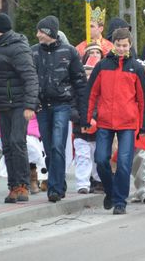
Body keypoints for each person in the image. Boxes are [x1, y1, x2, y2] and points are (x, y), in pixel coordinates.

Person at [0, 14, 39, 203]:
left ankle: (23, 186)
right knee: (8, 146)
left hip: (19, 104)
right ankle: (13, 186)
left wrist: (29, 105)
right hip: (3, 105)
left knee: (18, 142)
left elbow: (30, 77)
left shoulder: (18, 48)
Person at [87, 28, 145, 214]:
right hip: (105, 122)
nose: (122, 49)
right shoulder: (102, 66)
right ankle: (110, 190)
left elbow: (143, 99)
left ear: (130, 45)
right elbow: (92, 94)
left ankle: (120, 201)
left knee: (124, 163)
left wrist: (144, 125)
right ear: (112, 45)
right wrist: (87, 116)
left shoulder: (136, 68)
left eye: (125, 45)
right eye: (118, 45)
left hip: (128, 123)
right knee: (101, 160)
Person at [32, 16, 87, 202]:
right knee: (48, 147)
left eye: (41, 31)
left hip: (62, 105)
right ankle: (58, 182)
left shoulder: (69, 52)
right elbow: (29, 81)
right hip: (42, 107)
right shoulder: (34, 53)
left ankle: (54, 188)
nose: (38, 34)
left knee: (58, 145)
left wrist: (82, 111)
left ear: (50, 33)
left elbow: (80, 82)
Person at [72, 55, 101, 195]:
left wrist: (95, 118)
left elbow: (103, 108)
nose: (89, 77)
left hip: (97, 132)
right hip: (80, 131)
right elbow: (71, 109)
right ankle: (82, 183)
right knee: (82, 156)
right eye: (86, 74)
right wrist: (83, 119)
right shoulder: (76, 92)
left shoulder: (101, 92)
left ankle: (98, 181)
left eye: (92, 74)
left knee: (97, 157)